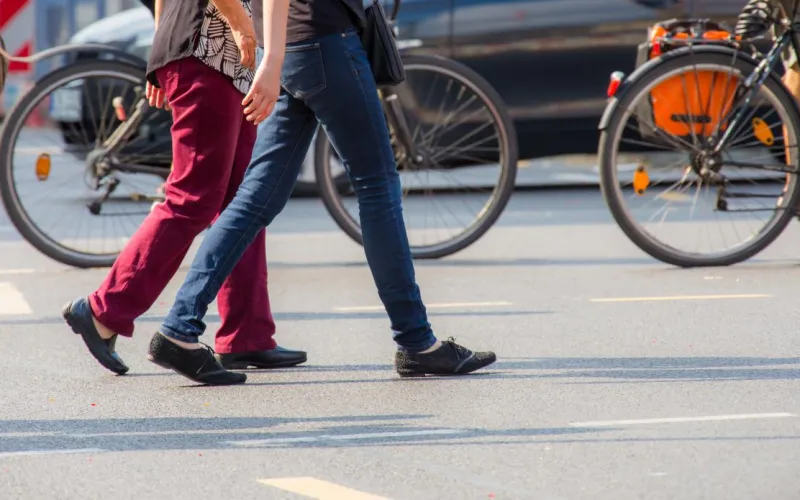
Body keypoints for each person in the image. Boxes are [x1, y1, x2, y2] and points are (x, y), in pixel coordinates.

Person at [140, 0, 498, 385]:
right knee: (376, 184)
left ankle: (179, 327)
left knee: (256, 197)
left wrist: (273, 56)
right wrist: (271, 61)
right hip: (322, 41)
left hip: (291, 45)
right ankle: (416, 341)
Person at [62, 0, 306, 381]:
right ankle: (102, 310)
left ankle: (246, 333)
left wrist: (161, 47)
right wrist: (241, 25)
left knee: (243, 199)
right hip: (207, 52)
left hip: (221, 59)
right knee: (192, 198)